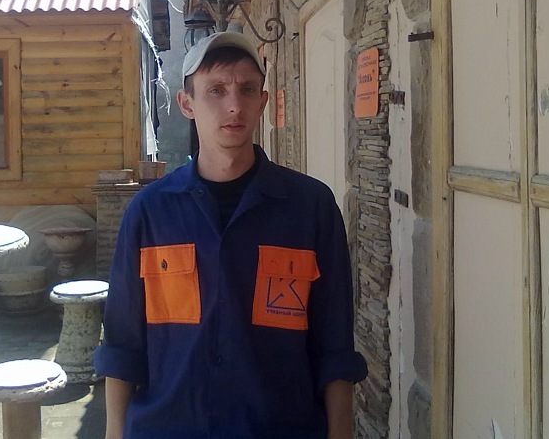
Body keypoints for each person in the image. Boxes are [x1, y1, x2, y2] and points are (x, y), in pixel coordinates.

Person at [94, 31, 367, 439]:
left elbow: (334, 344)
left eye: (247, 89)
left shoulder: (311, 209)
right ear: (187, 104)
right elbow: (122, 345)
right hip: (168, 428)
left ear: (263, 101)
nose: (234, 105)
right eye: (216, 90)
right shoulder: (149, 214)